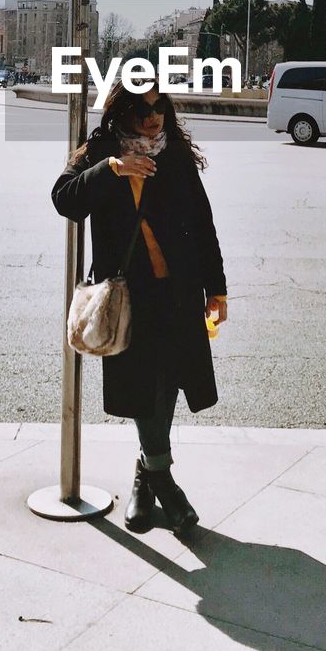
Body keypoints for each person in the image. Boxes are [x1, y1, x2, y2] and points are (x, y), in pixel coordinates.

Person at [52, 79, 228, 536]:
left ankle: (146, 478)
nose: (153, 119)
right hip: (131, 295)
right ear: (122, 111)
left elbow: (203, 223)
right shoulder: (103, 150)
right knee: (144, 389)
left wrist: (217, 288)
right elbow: (64, 200)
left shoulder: (174, 155)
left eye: (160, 109)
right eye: (143, 110)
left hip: (177, 292)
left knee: (165, 385)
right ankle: (163, 482)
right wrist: (112, 169)